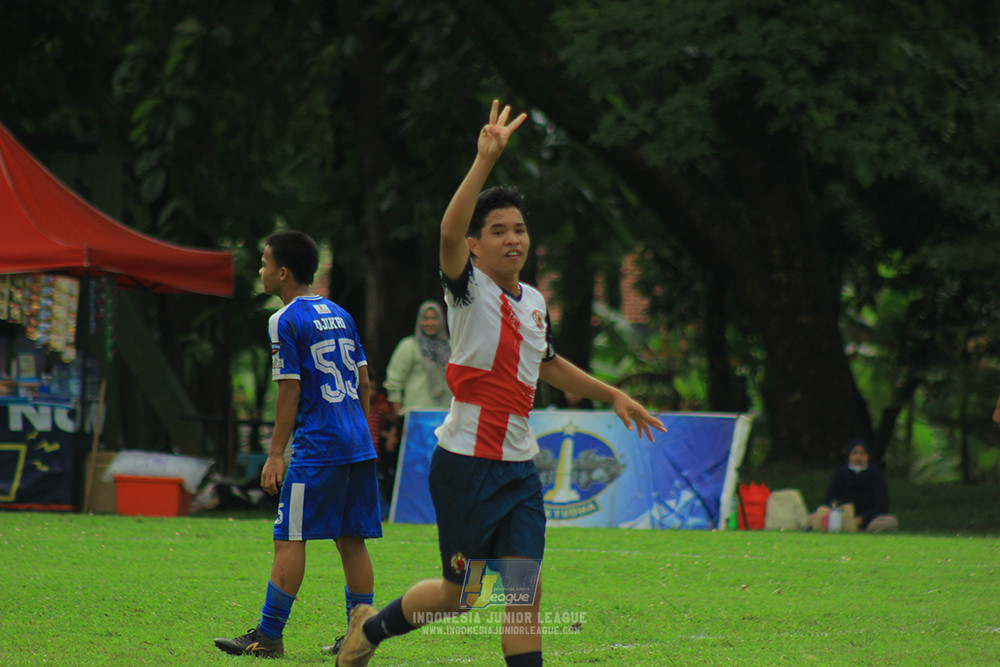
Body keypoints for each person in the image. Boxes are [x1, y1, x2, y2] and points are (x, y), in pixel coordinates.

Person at [336, 100, 666, 667]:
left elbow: (549, 365)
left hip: (519, 471)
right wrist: (485, 159)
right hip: (465, 465)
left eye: (519, 228)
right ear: (474, 245)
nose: (512, 238)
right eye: (497, 230)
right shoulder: (465, 291)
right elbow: (446, 228)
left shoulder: (534, 302)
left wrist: (613, 394)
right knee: (460, 596)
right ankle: (368, 632)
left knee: (524, 596)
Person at [214, 230, 382, 658]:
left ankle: (267, 636)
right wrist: (358, 428)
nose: (261, 270)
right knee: (351, 539)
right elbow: (364, 381)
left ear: (283, 272)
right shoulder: (341, 314)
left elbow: (289, 388)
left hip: (320, 444)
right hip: (357, 440)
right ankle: (358, 634)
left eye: (265, 263)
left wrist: (275, 454)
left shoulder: (286, 320)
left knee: (289, 538)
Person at [809, 438, 898, 533]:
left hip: (868, 522)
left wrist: (862, 519)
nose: (858, 457)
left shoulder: (875, 475)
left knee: (890, 522)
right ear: (849, 456)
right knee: (811, 518)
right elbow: (828, 501)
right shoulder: (840, 474)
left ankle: (861, 531)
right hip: (841, 519)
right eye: (855, 453)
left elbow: (881, 505)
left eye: (862, 453)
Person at [383, 300, 452, 416]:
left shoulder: (451, 347)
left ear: (441, 320)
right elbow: (393, 381)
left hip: (446, 412)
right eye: (425, 319)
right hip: (416, 413)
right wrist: (398, 412)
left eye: (434, 318)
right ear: (419, 321)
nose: (430, 323)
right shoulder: (409, 346)